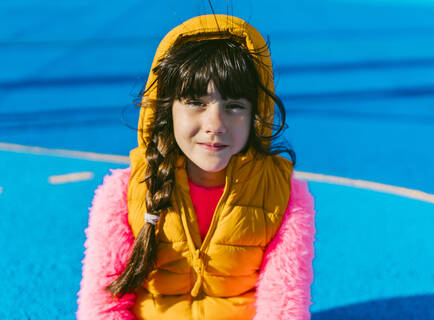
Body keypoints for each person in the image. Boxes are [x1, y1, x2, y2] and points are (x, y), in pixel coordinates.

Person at [76, 14, 315, 320]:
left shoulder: (283, 195)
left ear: (257, 114)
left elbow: (283, 304)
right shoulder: (125, 191)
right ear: (167, 108)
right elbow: (104, 301)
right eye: (196, 103)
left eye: (234, 106)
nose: (215, 124)